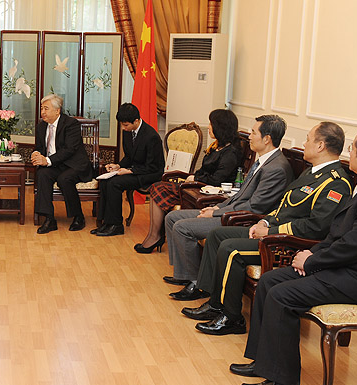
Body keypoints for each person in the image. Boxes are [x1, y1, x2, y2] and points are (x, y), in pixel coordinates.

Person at [231, 125, 357, 385]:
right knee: (270, 280)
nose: (348, 153)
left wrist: (312, 261)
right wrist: (312, 254)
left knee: (283, 295)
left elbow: (355, 245)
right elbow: (339, 234)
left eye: (352, 149)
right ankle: (264, 362)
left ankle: (285, 384)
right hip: (352, 268)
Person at [183, 122, 352, 335]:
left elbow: (316, 227)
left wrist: (270, 232)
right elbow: (284, 207)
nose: (304, 143)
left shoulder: (336, 183)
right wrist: (264, 222)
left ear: (320, 146)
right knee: (217, 235)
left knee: (231, 250)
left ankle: (232, 317)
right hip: (273, 231)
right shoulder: (312, 172)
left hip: (289, 244)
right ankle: (215, 302)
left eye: (308, 139)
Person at [165, 115, 294, 300]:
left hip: (242, 220)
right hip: (231, 210)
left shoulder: (276, 168)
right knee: (172, 218)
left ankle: (196, 283)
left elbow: (255, 206)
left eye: (253, 132)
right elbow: (240, 196)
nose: (249, 137)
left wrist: (217, 213)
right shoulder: (263, 161)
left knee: (182, 227)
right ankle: (185, 274)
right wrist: (217, 207)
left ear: (267, 139)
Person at [135, 109, 243, 253]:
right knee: (157, 187)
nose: (209, 127)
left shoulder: (230, 153)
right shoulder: (217, 146)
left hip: (208, 191)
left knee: (159, 188)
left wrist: (195, 179)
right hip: (199, 186)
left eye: (211, 124)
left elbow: (217, 179)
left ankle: (155, 236)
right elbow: (204, 170)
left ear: (221, 127)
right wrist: (194, 177)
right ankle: (154, 235)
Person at [91, 103, 164, 237]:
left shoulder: (151, 136)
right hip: (136, 170)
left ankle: (116, 225)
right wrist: (118, 166)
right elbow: (129, 157)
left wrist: (130, 171)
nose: (123, 128)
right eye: (122, 125)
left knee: (114, 183)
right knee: (105, 181)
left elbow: (152, 167)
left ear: (136, 121)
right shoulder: (128, 132)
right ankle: (106, 223)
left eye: (125, 125)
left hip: (149, 174)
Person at [32, 94, 94, 234]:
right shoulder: (41, 127)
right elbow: (39, 147)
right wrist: (35, 154)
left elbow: (69, 150)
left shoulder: (71, 124)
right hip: (55, 165)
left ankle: (78, 216)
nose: (42, 112)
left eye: (46, 108)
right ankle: (49, 219)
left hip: (74, 165)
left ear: (57, 110)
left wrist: (47, 160)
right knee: (42, 174)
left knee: (64, 179)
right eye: (41, 108)